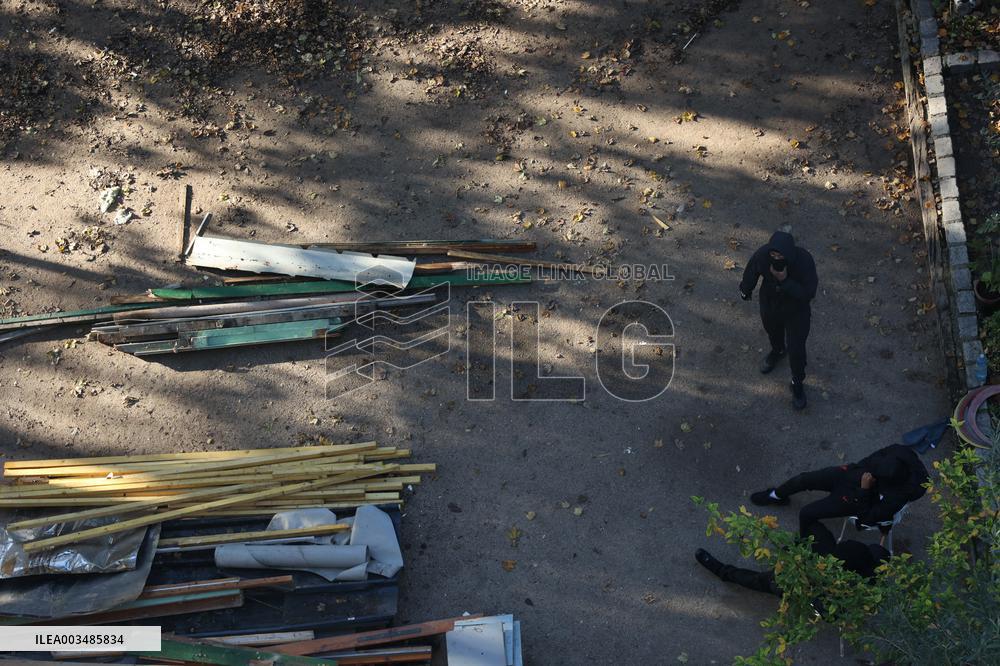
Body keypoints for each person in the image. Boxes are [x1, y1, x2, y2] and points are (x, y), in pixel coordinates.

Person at [750, 444, 929, 535]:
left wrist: (864, 490)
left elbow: (865, 520)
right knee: (804, 479)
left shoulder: (896, 498)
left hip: (853, 499)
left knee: (806, 513)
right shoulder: (900, 454)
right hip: (849, 474)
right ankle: (776, 495)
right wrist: (858, 469)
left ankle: (805, 541)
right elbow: (879, 454)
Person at [695, 521, 890, 596]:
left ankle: (723, 572)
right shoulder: (875, 561)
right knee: (814, 527)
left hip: (807, 581)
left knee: (763, 581)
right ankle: (798, 545)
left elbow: (824, 609)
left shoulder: (844, 587)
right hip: (821, 561)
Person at [739, 230, 818, 410]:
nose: (776, 258)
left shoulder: (804, 261)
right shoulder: (763, 255)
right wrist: (745, 289)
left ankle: (797, 382)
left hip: (796, 311)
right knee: (772, 331)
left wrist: (785, 281)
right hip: (770, 304)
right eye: (773, 255)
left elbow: (807, 294)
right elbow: (752, 270)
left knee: (796, 349)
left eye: (780, 256)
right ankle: (778, 351)